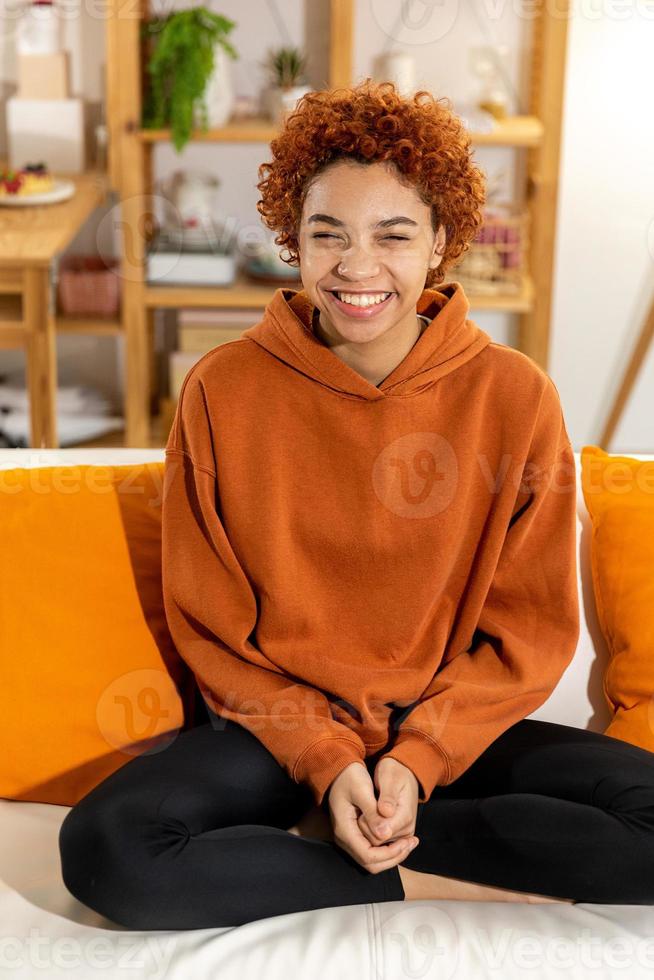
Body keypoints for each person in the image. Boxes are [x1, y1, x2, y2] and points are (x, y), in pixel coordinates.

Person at [58, 79, 654, 929]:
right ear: (292, 241)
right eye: (326, 234)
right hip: (279, 732)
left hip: (446, 731)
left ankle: (383, 827)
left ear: (442, 241)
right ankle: (402, 870)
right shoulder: (223, 389)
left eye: (394, 236)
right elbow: (211, 625)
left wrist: (414, 764)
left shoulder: (515, 396)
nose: (358, 268)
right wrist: (329, 762)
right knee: (107, 848)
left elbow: (529, 632)